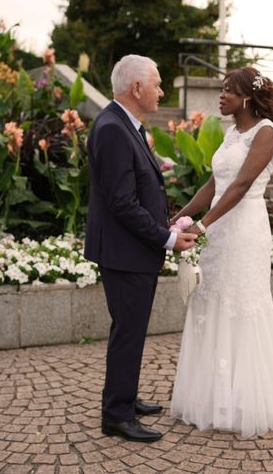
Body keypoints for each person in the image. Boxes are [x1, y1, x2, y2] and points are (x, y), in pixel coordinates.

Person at [170, 67, 273, 437]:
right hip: (219, 230)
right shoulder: (233, 132)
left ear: (247, 96)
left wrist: (203, 225)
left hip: (243, 230)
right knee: (211, 301)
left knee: (240, 304)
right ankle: (216, 397)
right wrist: (181, 217)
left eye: (228, 90)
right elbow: (214, 184)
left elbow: (243, 184)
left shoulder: (265, 131)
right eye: (221, 89)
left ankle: (247, 400)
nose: (221, 96)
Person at [84, 54, 197, 443]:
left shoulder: (124, 124)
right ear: (136, 88)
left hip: (130, 250)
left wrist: (155, 167)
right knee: (128, 333)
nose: (162, 90)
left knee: (130, 330)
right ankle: (116, 415)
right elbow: (121, 202)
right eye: (158, 83)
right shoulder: (114, 128)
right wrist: (167, 237)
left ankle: (125, 400)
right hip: (125, 251)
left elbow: (129, 181)